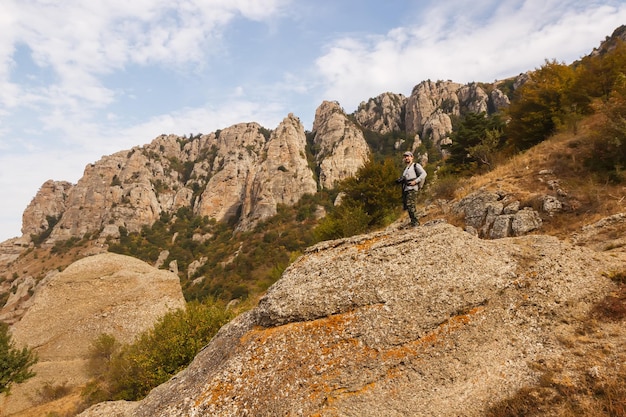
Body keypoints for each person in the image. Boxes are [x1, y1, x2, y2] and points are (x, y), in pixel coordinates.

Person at [397, 151, 427, 227]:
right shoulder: (406, 169)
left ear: (412, 157)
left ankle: (416, 223)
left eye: (408, 156)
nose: (406, 158)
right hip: (406, 189)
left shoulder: (416, 165)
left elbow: (424, 174)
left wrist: (415, 181)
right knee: (408, 206)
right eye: (405, 157)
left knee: (410, 205)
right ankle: (413, 221)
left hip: (413, 188)